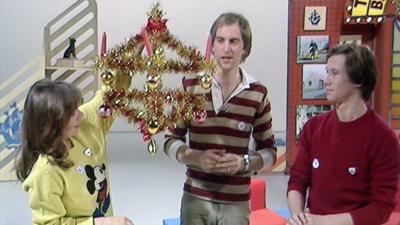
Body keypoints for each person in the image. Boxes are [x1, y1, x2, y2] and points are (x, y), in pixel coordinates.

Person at [164, 12, 277, 225]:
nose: (226, 48)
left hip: (236, 203)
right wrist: (195, 157)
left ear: (245, 49)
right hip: (196, 198)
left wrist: (243, 162)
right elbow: (170, 141)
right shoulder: (191, 87)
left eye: (234, 41)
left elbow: (270, 153)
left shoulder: (257, 93)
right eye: (220, 40)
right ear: (212, 46)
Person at [287, 44, 400, 225]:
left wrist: (321, 222)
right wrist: (298, 217)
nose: (326, 80)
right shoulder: (313, 128)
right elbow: (297, 181)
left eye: (334, 73)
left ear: (358, 79)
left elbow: (381, 208)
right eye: (327, 72)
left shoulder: (383, 138)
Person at [15, 78, 134, 225]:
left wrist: (128, 60)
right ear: (51, 124)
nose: (80, 115)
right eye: (71, 114)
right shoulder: (45, 172)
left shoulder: (84, 127)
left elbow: (111, 94)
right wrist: (102, 223)